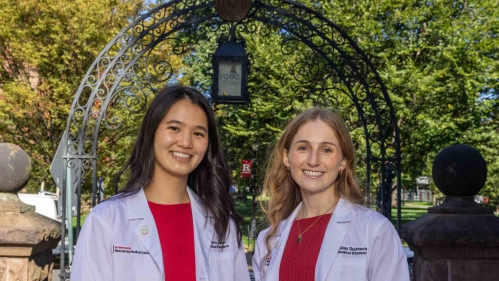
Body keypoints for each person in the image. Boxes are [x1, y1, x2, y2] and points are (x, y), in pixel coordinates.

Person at [71, 85, 250, 281]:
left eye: (198, 133)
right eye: (174, 128)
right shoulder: (106, 220)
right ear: (152, 132)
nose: (185, 142)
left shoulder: (222, 225)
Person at [252, 107, 409, 281]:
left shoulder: (374, 231)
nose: (313, 161)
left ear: (343, 161)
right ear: (286, 157)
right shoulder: (268, 240)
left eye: (326, 150)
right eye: (303, 148)